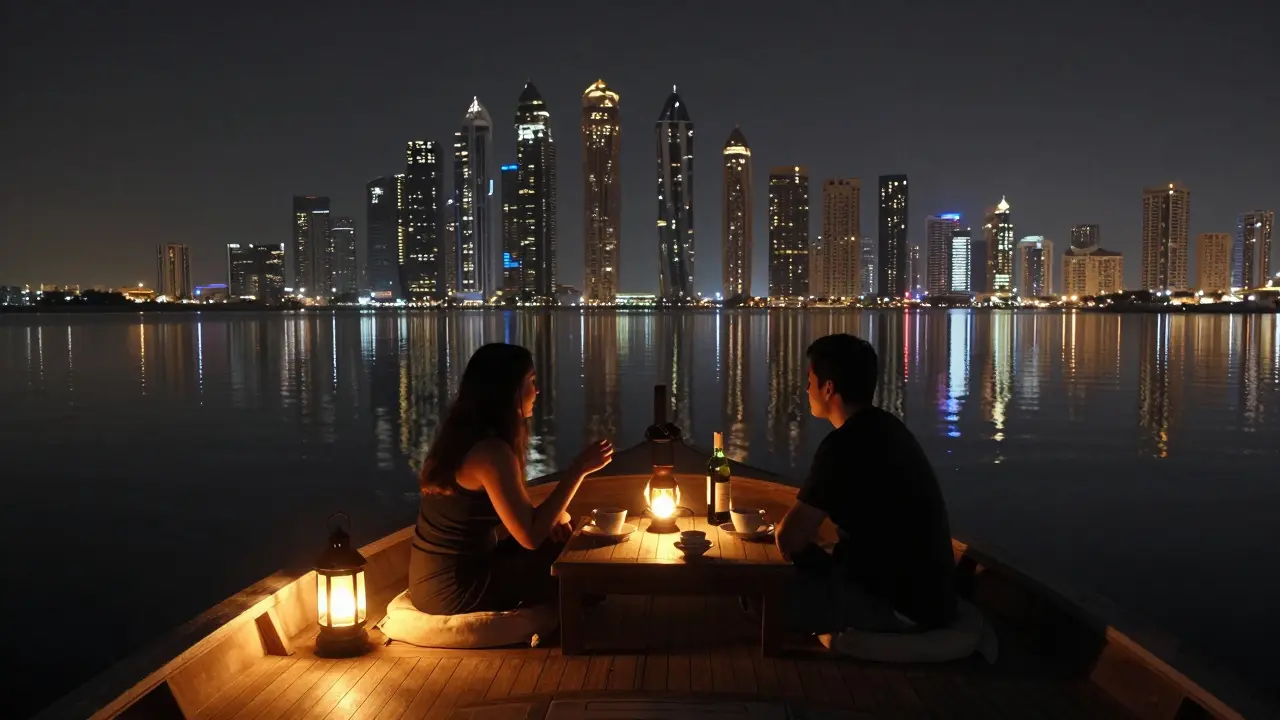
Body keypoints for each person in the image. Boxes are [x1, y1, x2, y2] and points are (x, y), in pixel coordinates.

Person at [409, 343, 614, 615]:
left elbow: (523, 517)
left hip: (437, 581)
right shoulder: (491, 453)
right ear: (507, 389)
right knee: (582, 568)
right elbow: (530, 537)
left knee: (568, 540)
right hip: (455, 588)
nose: (537, 391)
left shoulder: (466, 439)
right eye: (531, 381)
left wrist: (556, 517)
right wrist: (579, 469)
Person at [774, 333, 957, 635]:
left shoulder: (842, 446)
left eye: (810, 381)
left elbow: (789, 539)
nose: (806, 389)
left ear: (828, 388)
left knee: (760, 597)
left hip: (897, 607)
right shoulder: (889, 428)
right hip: (934, 600)